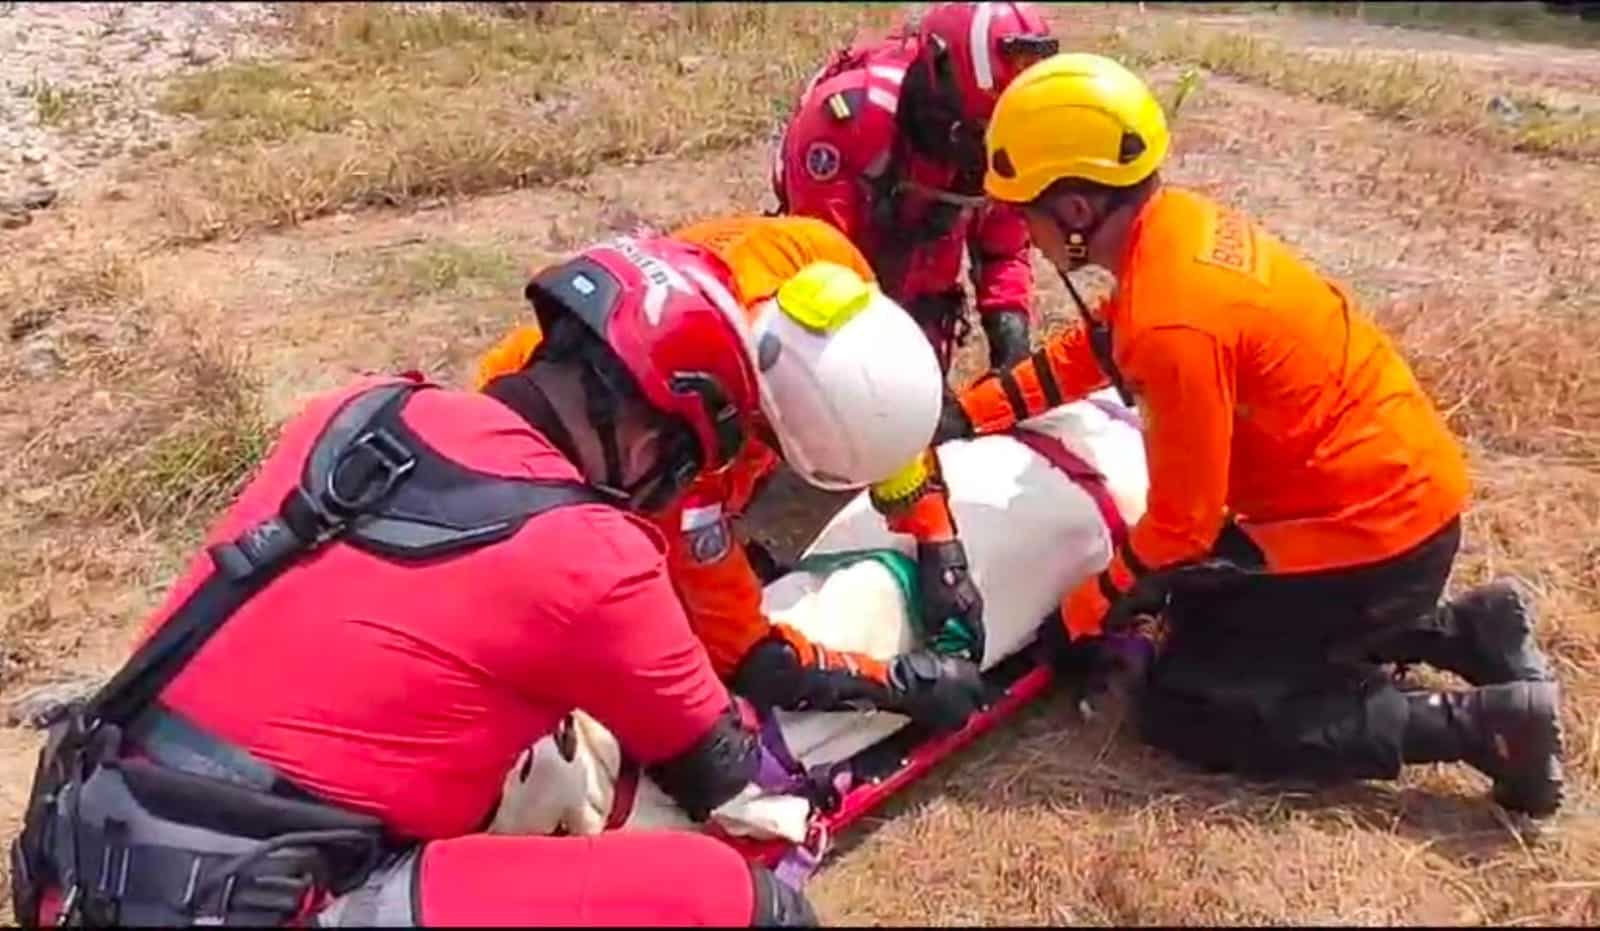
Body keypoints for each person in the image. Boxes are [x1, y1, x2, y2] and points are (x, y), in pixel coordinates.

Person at [11, 237, 890, 928]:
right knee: (729, 899)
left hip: (82, 851)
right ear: (656, 433)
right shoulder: (593, 553)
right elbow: (718, 769)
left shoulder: (357, 414)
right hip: (260, 897)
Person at [935, 53, 1565, 816]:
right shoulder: (1177, 233)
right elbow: (1101, 346)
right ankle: (1470, 629)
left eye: (1022, 211)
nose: (1021, 233)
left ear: (1074, 208)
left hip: (1375, 538)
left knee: (1189, 702)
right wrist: (974, 410)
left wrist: (1076, 617)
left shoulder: (1174, 315)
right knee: (1197, 615)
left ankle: (1483, 727)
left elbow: (1181, 526)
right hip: (1388, 501)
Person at [475, 216, 991, 734]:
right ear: (768, 429)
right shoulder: (671, 454)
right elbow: (749, 656)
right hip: (527, 462)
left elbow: (877, 409)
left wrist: (938, 542)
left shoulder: (821, 262)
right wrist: (893, 683)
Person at [771, 2, 1058, 374]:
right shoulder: (849, 120)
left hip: (926, 295)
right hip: (834, 295)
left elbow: (1003, 249)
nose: (986, 148)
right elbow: (819, 267)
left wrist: (1011, 343)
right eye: (979, 128)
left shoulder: (1009, 134)